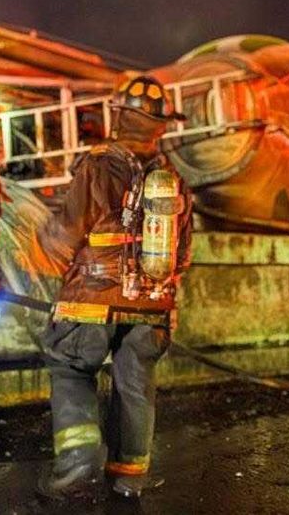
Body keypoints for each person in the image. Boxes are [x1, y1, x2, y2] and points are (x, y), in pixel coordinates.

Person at [36, 75, 193, 500]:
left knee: (70, 368)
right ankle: (128, 476)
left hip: (92, 302)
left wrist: (45, 251)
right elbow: (183, 254)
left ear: (120, 116)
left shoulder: (100, 164)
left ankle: (78, 463)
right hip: (151, 305)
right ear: (160, 126)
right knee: (135, 383)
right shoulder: (172, 178)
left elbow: (64, 236)